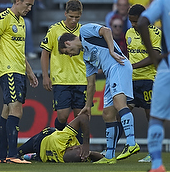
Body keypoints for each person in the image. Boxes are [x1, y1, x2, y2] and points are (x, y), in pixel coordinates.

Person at [58, 25, 140, 164]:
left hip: (118, 66)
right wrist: (88, 106)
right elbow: (91, 84)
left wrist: (112, 51)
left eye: (68, 52)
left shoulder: (84, 31)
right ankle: (109, 156)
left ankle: (131, 143)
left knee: (120, 104)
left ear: (67, 43)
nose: (70, 55)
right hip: (110, 74)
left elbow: (106, 31)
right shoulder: (87, 56)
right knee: (107, 114)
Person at [0, 0, 39, 164]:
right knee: (16, 109)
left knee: (7, 111)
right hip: (8, 71)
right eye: (27, 4)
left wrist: (30, 72)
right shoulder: (4, 18)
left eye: (31, 5)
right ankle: (12, 155)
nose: (29, 8)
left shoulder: (21, 22)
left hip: (19, 71)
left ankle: (2, 155)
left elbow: (19, 52)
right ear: (17, 1)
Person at [40, 0, 87, 134]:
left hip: (81, 79)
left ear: (80, 15)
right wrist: (45, 76)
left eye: (77, 17)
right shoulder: (55, 30)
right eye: (71, 16)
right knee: (62, 116)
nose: (73, 20)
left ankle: (78, 149)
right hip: (61, 79)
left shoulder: (83, 32)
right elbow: (45, 53)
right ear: (65, 13)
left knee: (81, 117)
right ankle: (59, 138)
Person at [137, 0, 170, 172]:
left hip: (167, 67)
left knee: (157, 117)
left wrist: (154, 55)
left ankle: (157, 165)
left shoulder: (164, 2)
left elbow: (142, 22)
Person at [126, 4, 161, 163]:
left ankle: (153, 152)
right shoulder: (129, 33)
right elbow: (130, 55)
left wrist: (131, 67)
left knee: (150, 116)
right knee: (123, 112)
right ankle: (129, 145)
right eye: (131, 21)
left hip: (148, 79)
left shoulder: (155, 33)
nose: (133, 24)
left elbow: (154, 55)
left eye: (136, 21)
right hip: (131, 81)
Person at [17, 113, 103, 163]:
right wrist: (89, 152)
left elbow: (83, 117)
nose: (80, 146)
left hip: (40, 142)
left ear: (71, 148)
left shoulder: (62, 141)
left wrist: (86, 147)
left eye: (78, 148)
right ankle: (33, 157)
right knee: (19, 154)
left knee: (16, 153)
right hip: (45, 142)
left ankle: (33, 157)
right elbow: (102, 158)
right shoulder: (76, 155)